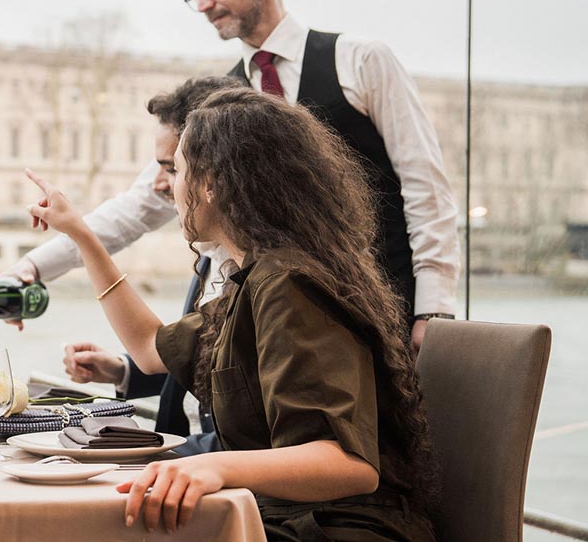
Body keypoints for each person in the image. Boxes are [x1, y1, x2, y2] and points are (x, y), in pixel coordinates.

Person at [0, 0, 459, 352]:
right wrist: (33, 268)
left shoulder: (362, 61)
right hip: (286, 328)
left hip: (385, 310)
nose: (202, 4)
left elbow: (426, 187)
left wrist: (433, 309)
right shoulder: (218, 101)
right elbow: (143, 202)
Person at [26, 87, 439, 540]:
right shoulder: (255, 280)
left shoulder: (288, 285)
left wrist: (214, 467)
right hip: (278, 516)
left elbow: (348, 466)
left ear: (211, 184)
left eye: (178, 170)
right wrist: (82, 236)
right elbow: (147, 347)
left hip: (337, 528)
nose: (170, 188)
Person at [61, 76, 242, 451]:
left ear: (215, 175)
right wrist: (122, 370)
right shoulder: (211, 259)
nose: (161, 185)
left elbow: (152, 345)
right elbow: (208, 362)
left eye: (174, 168)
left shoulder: (266, 279)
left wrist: (83, 237)